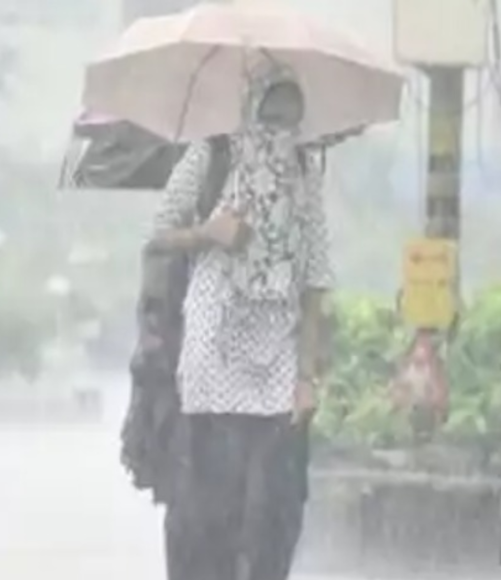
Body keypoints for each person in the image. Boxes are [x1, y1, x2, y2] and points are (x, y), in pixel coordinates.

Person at [148, 61, 333, 580]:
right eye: (271, 112)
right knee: (213, 505)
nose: (278, 127)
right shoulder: (211, 154)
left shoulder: (303, 170)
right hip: (213, 346)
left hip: (278, 345)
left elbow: (316, 274)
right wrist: (211, 232)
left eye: (289, 114)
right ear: (250, 105)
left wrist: (306, 377)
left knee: (272, 508)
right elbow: (160, 233)